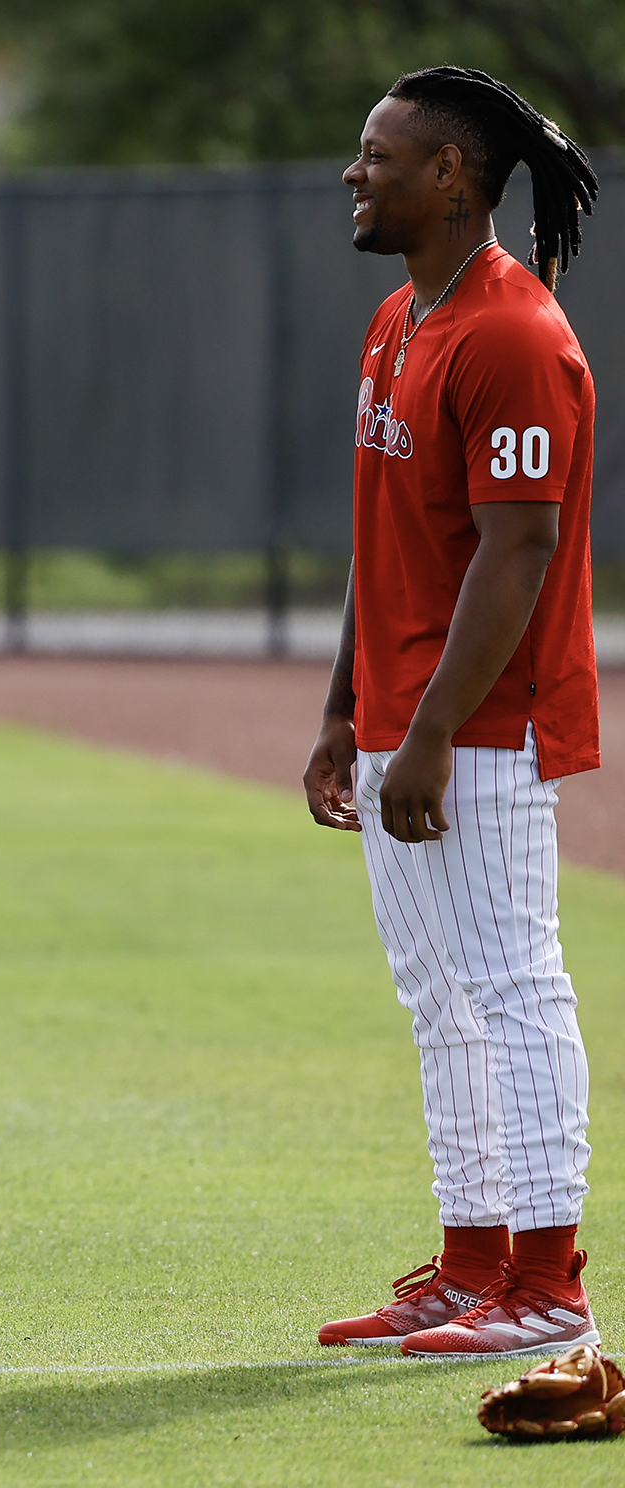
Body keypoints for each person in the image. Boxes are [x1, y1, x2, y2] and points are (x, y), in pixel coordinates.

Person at [307, 68, 602, 1359]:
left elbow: (518, 554)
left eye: (380, 156)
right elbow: (391, 542)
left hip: (482, 725)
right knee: (439, 995)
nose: (353, 174)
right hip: (398, 713)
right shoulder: (398, 320)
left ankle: (547, 1285)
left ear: (454, 179)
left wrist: (427, 730)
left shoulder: (514, 334)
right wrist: (344, 709)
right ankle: (472, 1260)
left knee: (514, 981)